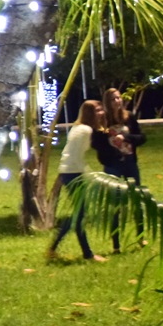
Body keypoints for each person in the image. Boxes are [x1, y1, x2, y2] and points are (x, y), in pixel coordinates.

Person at [47, 100, 107, 262]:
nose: (101, 113)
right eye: (98, 110)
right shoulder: (86, 130)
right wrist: (89, 174)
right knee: (79, 215)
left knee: (79, 214)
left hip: (68, 171)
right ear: (90, 114)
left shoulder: (77, 127)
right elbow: (75, 156)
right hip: (74, 173)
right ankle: (82, 253)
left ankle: (82, 252)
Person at [92, 87, 147, 253]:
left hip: (130, 163)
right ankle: (116, 244)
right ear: (107, 103)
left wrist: (126, 138)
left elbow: (142, 137)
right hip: (113, 165)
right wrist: (111, 147)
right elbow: (96, 144)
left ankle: (141, 237)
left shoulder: (128, 117)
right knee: (115, 204)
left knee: (137, 200)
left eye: (118, 98)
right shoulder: (103, 121)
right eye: (113, 99)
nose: (117, 101)